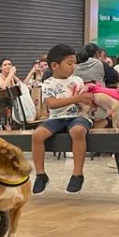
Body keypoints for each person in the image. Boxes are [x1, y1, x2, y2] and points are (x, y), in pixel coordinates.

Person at [31, 44, 94, 195]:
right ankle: (40, 175)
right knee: (37, 135)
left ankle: (77, 174)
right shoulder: (48, 83)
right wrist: (77, 98)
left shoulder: (78, 80)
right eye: (70, 63)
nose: (74, 67)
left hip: (78, 117)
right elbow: (51, 104)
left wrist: (89, 100)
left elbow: (85, 102)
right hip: (57, 118)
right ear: (55, 66)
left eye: (75, 63)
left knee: (78, 131)